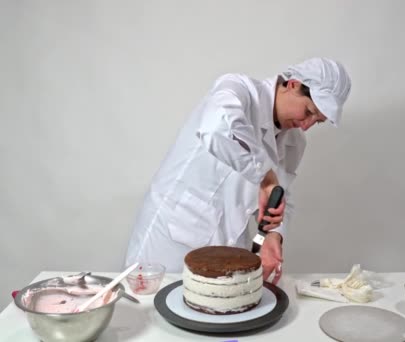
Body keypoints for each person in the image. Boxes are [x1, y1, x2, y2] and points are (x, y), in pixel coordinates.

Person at [125, 57, 351, 285]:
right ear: (293, 84)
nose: (306, 125)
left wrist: (274, 235)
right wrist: (265, 176)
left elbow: (280, 196)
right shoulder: (238, 90)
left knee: (218, 312)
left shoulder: (295, 142)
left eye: (318, 121)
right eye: (309, 111)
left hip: (229, 249)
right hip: (171, 240)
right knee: (154, 309)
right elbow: (215, 131)